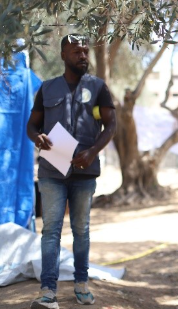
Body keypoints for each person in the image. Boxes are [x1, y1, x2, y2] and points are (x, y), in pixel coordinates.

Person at [27, 34, 117, 309]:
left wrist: (92, 152)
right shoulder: (47, 88)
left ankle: (81, 284)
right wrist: (37, 138)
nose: (83, 56)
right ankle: (47, 290)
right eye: (77, 52)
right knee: (51, 230)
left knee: (81, 230)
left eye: (86, 52)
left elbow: (110, 125)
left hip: (84, 172)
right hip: (52, 171)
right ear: (64, 54)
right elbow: (33, 126)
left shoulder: (98, 88)